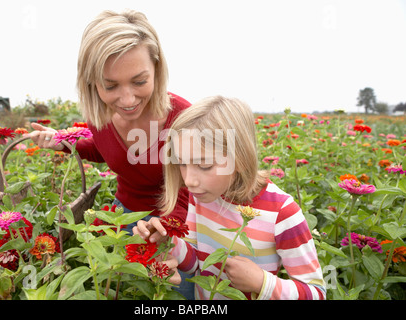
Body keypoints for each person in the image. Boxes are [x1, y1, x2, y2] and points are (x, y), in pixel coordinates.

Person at [25, 9, 194, 298]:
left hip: (176, 223)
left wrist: (168, 229)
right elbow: (106, 150)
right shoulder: (101, 117)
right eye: (110, 86)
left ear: (156, 67)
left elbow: (196, 186)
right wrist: (63, 142)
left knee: (182, 293)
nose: (127, 99)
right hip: (122, 219)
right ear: (92, 82)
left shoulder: (183, 117)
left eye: (139, 81)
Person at [134, 96, 327, 300]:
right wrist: (168, 240)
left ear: (240, 159)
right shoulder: (201, 196)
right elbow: (197, 264)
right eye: (182, 163)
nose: (189, 181)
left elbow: (317, 293)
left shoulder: (282, 213)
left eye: (204, 166)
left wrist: (262, 283)